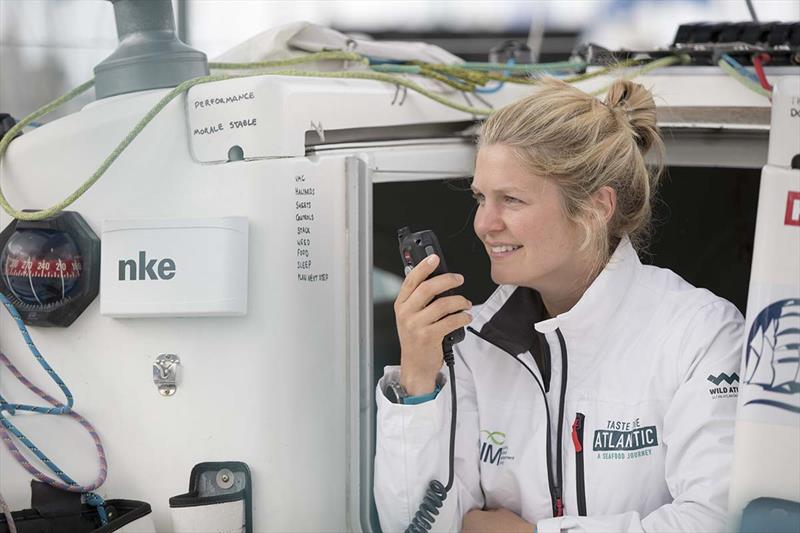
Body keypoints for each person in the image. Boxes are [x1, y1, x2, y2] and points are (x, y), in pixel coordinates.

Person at [374, 78, 744, 533]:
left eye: (511, 199)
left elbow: (718, 521)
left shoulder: (700, 334)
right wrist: (417, 377)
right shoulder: (472, 341)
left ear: (596, 208)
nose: (484, 223)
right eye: (480, 198)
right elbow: (413, 525)